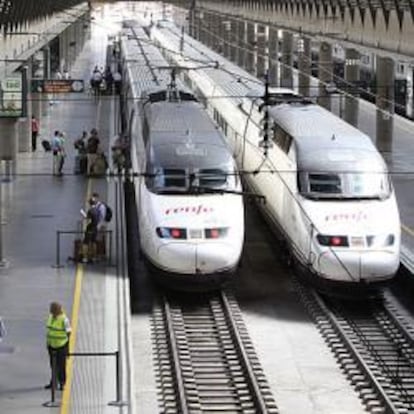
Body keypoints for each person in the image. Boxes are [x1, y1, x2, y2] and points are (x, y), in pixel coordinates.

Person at [45, 302, 71, 391]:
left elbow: (68, 333)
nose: (51, 311)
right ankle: (53, 383)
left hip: (61, 346)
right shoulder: (50, 317)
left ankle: (62, 383)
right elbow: (49, 330)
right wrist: (48, 343)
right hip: (51, 345)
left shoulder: (64, 320)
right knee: (53, 365)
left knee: (61, 366)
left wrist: (67, 348)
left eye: (52, 309)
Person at [81, 198, 100, 262]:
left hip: (90, 228)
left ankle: (85, 257)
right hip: (95, 228)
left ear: (90, 203)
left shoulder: (90, 210)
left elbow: (88, 219)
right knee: (93, 242)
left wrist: (83, 214)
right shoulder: (97, 210)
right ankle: (94, 257)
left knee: (85, 242)